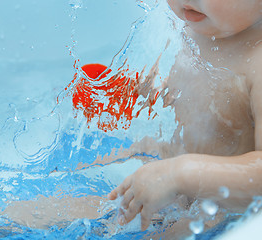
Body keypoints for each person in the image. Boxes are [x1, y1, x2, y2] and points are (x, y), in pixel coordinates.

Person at [108, 0, 262, 232]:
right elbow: (175, 95)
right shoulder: (190, 27)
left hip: (216, 215)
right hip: (159, 180)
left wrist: (181, 174)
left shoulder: (257, 62)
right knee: (41, 212)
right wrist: (136, 90)